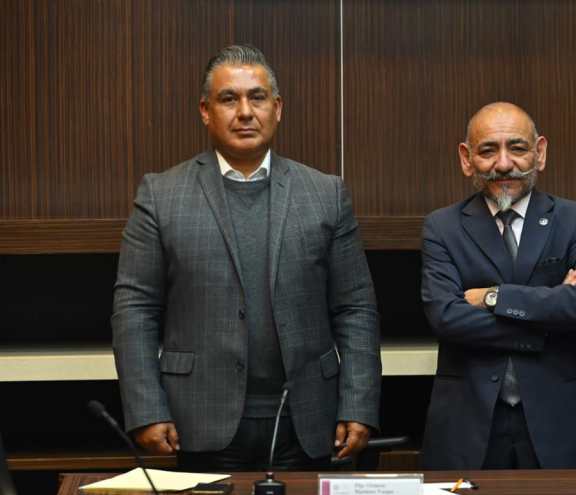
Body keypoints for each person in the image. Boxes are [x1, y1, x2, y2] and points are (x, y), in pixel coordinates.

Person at [112, 45, 381, 470]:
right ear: (205, 111)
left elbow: (356, 308)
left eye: (257, 98)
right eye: (228, 99)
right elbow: (135, 309)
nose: (244, 111)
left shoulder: (325, 193)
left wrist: (359, 404)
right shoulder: (161, 195)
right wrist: (146, 409)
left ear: (277, 108)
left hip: (308, 422)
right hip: (197, 423)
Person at [420, 102, 576, 470]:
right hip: (469, 426)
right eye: (488, 150)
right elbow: (446, 317)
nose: (504, 164)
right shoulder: (441, 228)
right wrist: (550, 311)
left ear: (540, 153)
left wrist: (494, 297)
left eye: (517, 148)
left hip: (560, 423)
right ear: (466, 158)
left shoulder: (574, 219)